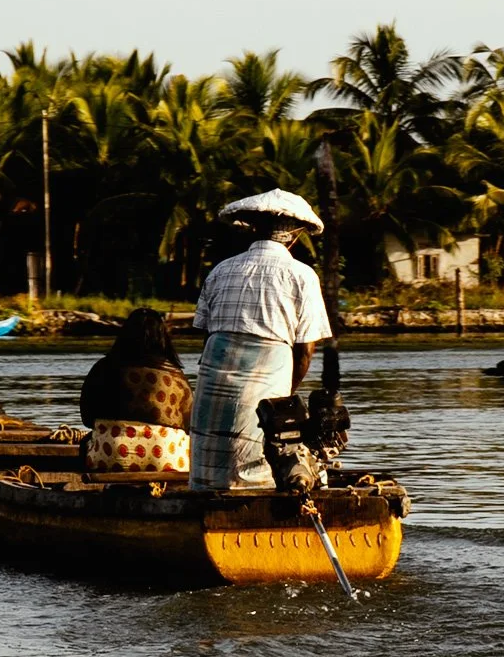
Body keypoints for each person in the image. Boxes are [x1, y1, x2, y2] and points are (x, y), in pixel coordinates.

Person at [189, 189, 332, 490]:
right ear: (294, 237)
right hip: (267, 383)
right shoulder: (301, 275)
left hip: (211, 382)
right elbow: (305, 350)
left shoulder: (220, 270)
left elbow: (206, 338)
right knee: (256, 464)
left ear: (253, 231)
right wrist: (283, 398)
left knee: (211, 469)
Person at [79, 307, 193, 429]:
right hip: (164, 446)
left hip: (112, 445)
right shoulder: (175, 375)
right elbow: (190, 422)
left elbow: (87, 417)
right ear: (162, 337)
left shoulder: (102, 368)